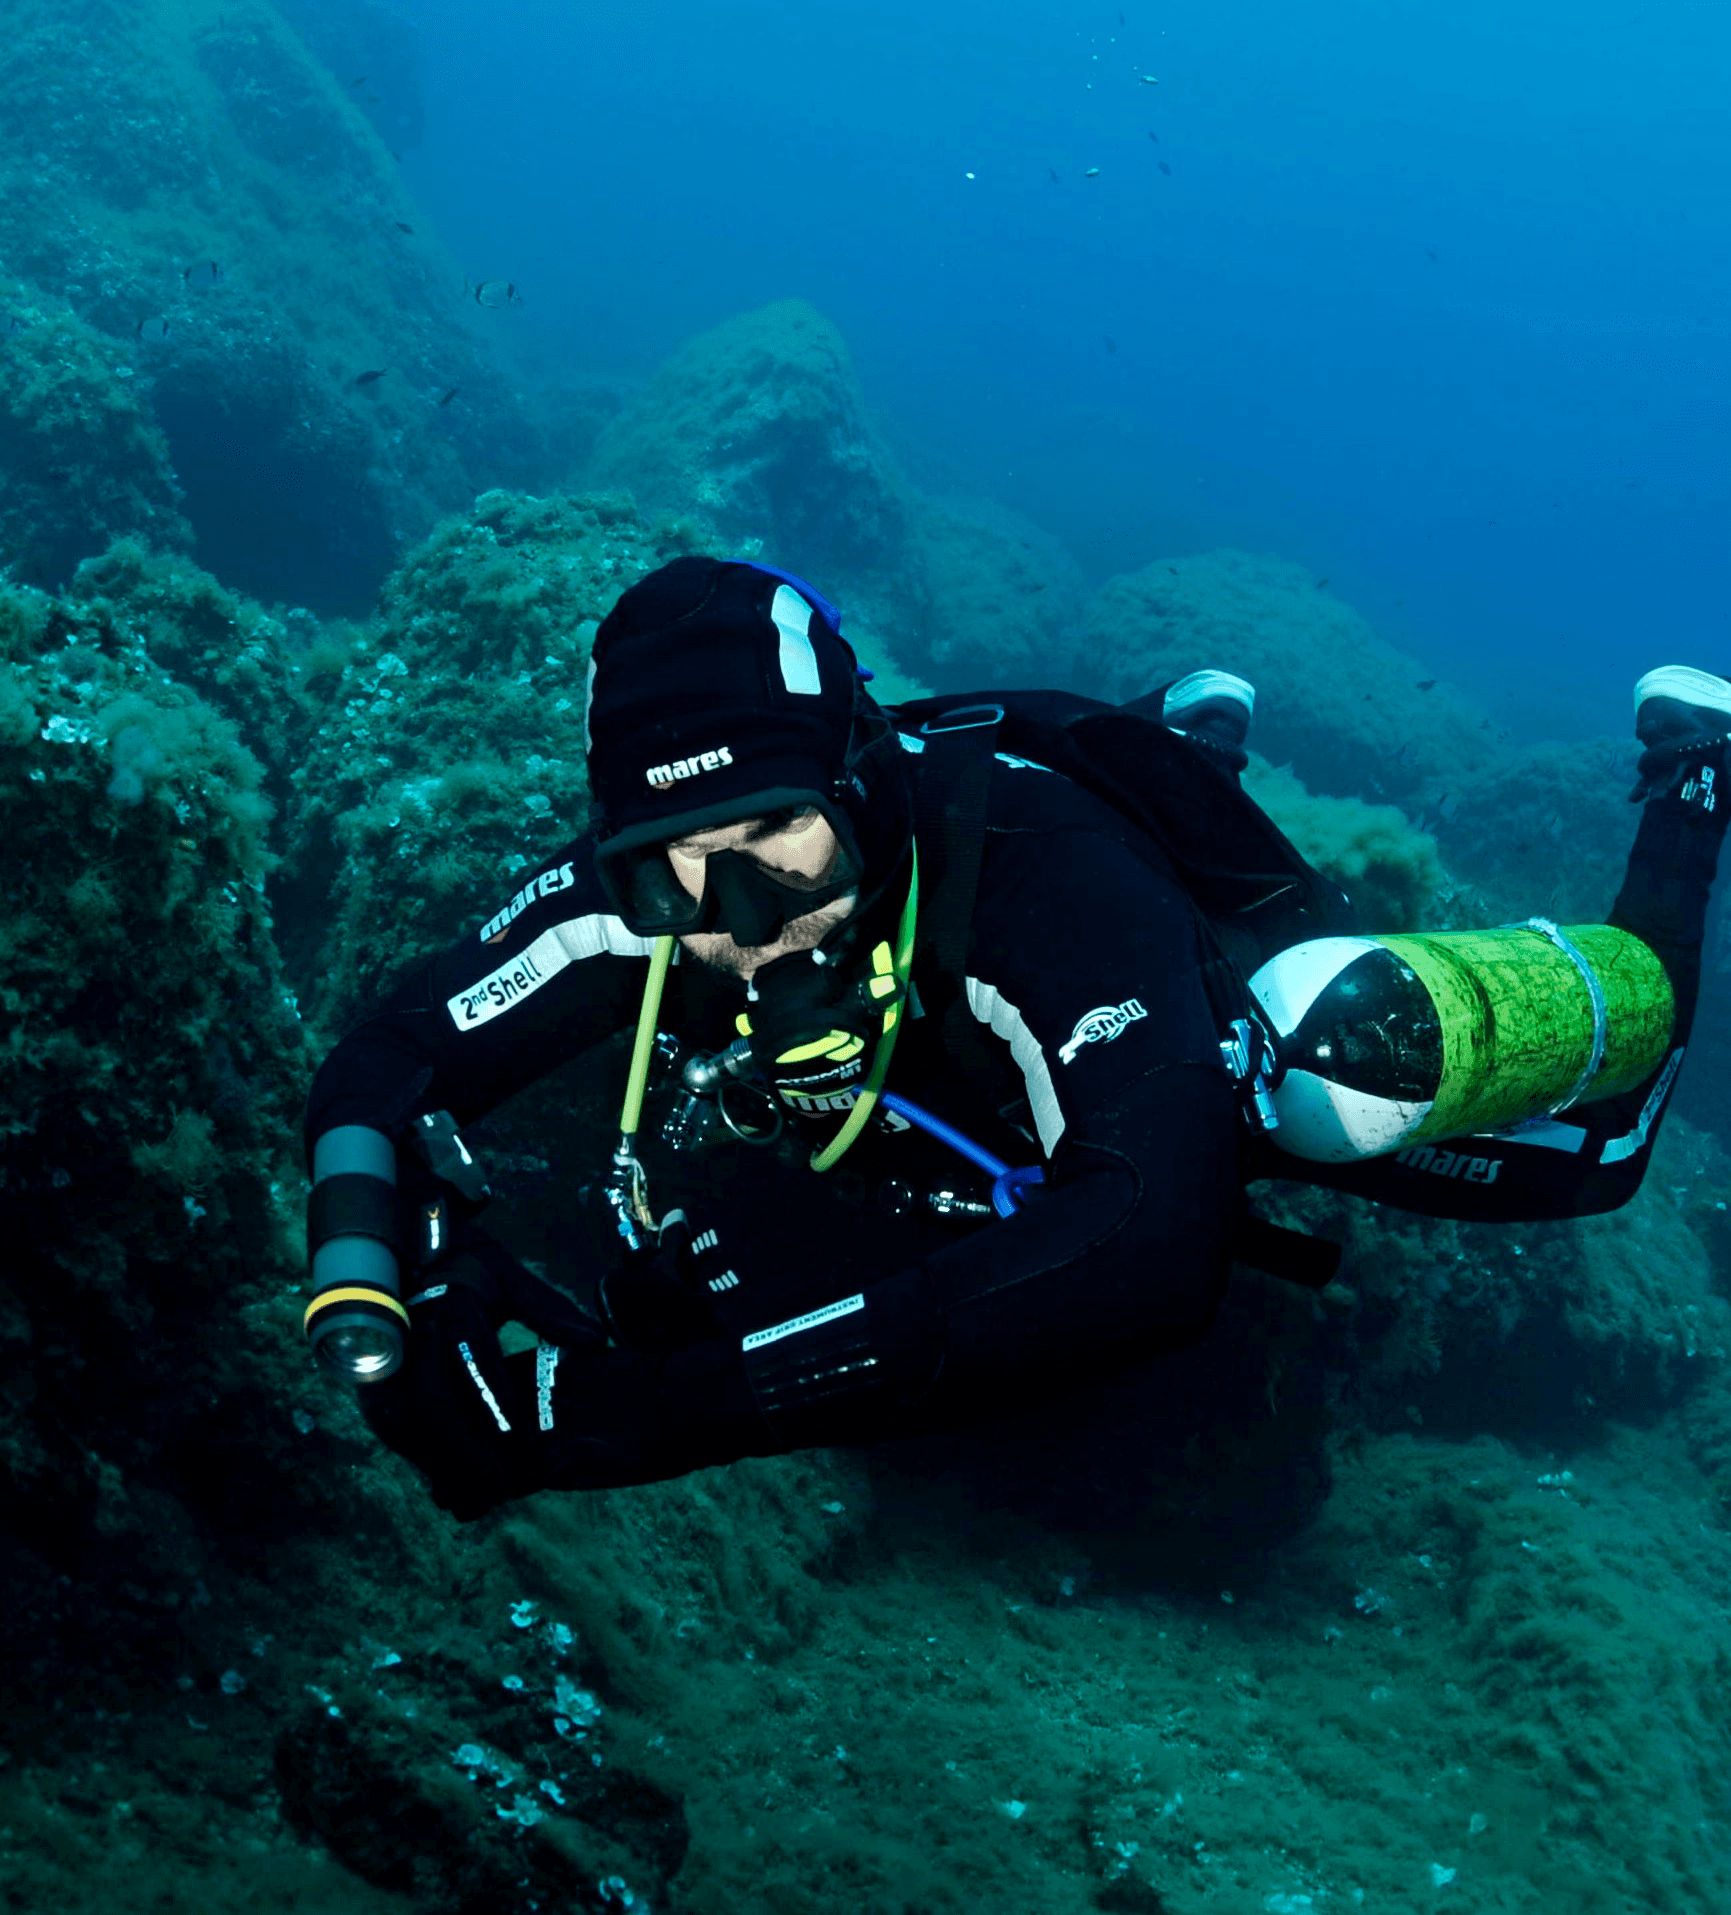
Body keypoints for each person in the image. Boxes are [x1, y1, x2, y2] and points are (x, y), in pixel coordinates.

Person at [301, 558, 1730, 1519]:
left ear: (858, 780)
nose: (741, 920)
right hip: (955, 1063)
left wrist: (650, 1412)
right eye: (670, 869)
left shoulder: (1049, 898)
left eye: (780, 840)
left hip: (1142, 978)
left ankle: (1692, 779)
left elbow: (1150, 1248)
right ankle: (1189, 738)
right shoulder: (655, 883)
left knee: (1567, 1153)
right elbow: (389, 1059)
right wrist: (366, 1269)